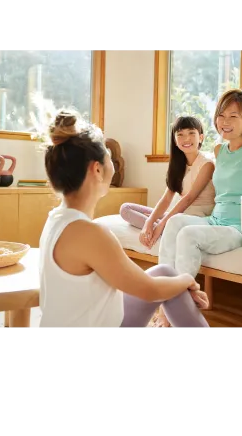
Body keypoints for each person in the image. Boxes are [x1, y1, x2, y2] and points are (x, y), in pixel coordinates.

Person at [38, 109, 210, 332]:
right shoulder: (91, 234)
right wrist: (187, 280)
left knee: (165, 273)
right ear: (97, 169)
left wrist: (179, 282)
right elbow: (149, 290)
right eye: (109, 156)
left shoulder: (56, 219)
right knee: (172, 282)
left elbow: (142, 284)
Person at [158, 88, 242, 281]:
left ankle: (181, 292)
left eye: (233, 116)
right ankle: (162, 286)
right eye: (221, 115)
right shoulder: (219, 150)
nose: (225, 122)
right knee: (175, 222)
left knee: (188, 235)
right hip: (216, 220)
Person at [120, 116, 215, 249]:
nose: (186, 139)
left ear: (201, 137)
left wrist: (161, 224)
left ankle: (162, 230)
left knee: (169, 222)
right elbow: (166, 200)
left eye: (191, 133)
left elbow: (189, 198)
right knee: (126, 209)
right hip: (179, 215)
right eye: (180, 134)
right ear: (175, 140)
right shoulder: (178, 166)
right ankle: (160, 230)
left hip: (197, 218)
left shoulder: (207, 164)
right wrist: (149, 223)